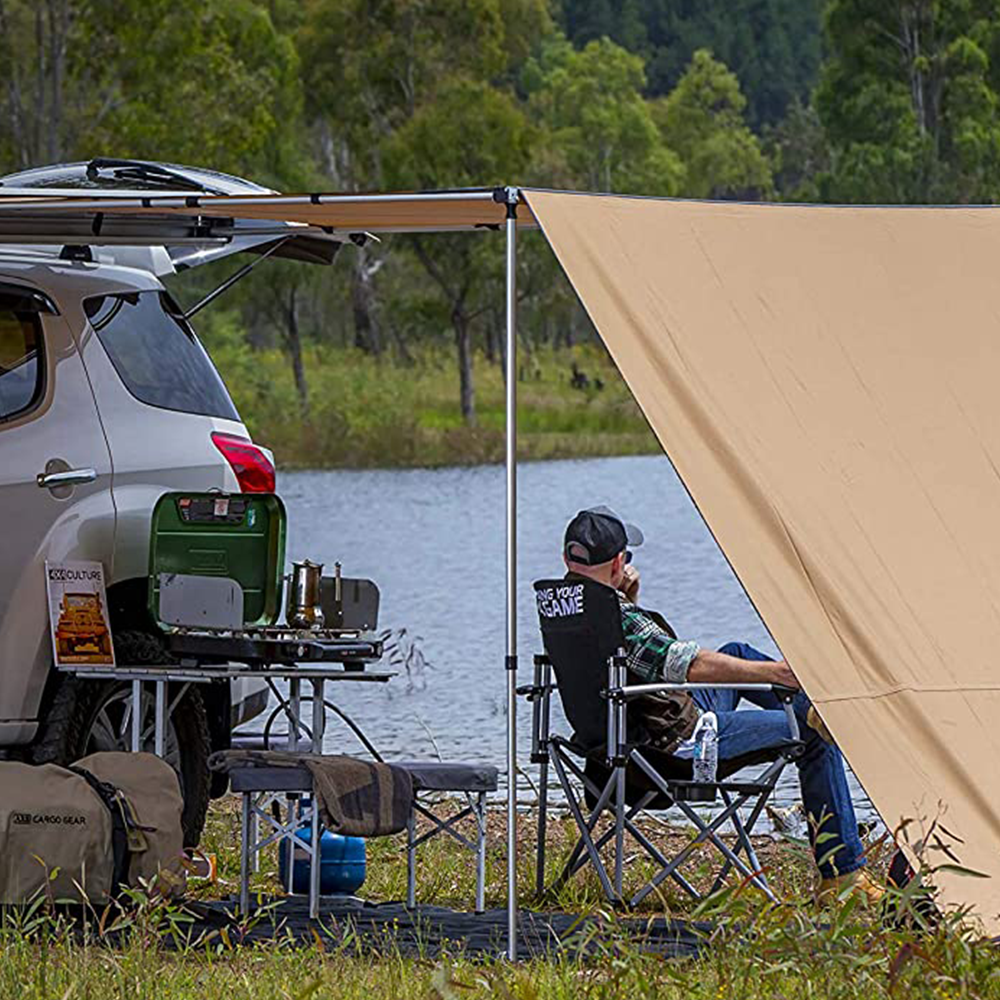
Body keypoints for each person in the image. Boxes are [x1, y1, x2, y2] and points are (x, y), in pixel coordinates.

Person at [562, 505, 882, 904]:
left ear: (568, 560)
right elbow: (687, 663)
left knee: (737, 651)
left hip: (617, 746)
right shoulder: (616, 617)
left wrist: (628, 598)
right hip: (674, 750)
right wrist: (774, 674)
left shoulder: (566, 607)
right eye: (626, 556)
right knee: (816, 734)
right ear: (617, 563)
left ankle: (812, 705)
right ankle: (843, 875)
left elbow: (623, 660)